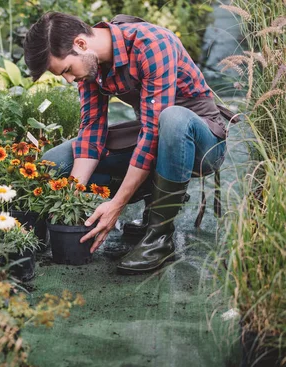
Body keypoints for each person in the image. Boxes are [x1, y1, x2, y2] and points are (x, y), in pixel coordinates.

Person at [23, 12, 234, 274]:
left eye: (67, 70)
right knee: (57, 161)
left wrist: (116, 205)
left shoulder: (153, 43)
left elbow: (153, 134)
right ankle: (31, 236)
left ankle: (159, 236)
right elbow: (91, 132)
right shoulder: (91, 66)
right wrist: (70, 198)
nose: (69, 80)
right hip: (151, 132)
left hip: (203, 139)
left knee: (172, 119)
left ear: (80, 44)